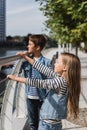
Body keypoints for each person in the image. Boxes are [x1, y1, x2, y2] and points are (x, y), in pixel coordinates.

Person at [7, 52, 81, 130]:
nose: (55, 63)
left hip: (49, 126)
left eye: (58, 62)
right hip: (50, 124)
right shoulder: (60, 79)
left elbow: (40, 83)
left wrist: (16, 78)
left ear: (64, 68)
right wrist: (26, 57)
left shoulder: (60, 82)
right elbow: (43, 69)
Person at [16, 34, 52, 130]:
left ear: (37, 47)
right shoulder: (25, 62)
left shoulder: (47, 62)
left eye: (29, 44)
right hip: (30, 96)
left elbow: (50, 79)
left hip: (43, 97)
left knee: (43, 121)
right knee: (32, 123)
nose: (27, 46)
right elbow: (16, 70)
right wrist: (20, 59)